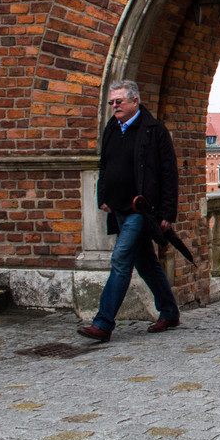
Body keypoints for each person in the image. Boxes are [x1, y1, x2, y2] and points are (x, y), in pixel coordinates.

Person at [78, 80, 181, 342]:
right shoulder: (112, 128)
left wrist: (167, 213)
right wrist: (102, 196)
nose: (114, 106)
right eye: (112, 102)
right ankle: (169, 311)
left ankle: (103, 323)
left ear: (135, 101)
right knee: (145, 262)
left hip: (141, 209)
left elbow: (169, 174)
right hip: (118, 208)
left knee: (121, 259)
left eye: (119, 102)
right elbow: (104, 165)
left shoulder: (154, 130)